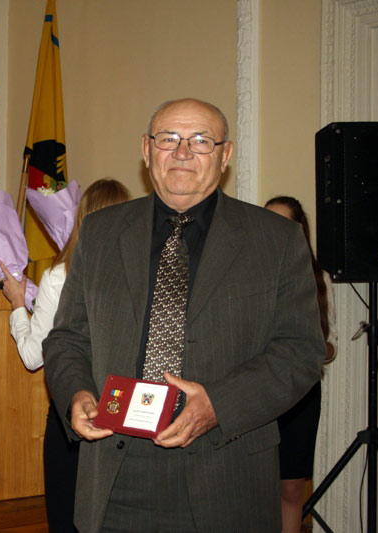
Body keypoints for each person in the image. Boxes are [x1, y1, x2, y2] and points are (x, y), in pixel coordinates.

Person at [43, 98, 326, 532]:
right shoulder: (100, 233)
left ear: (225, 155)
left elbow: (300, 352)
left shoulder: (277, 240)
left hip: (226, 476)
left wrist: (218, 406)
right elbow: (67, 339)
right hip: (115, 479)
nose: (182, 152)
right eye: (168, 139)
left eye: (201, 141)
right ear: (146, 149)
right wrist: (76, 393)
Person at [0, 178, 131, 532]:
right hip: (124, 409)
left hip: (72, 413)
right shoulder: (138, 275)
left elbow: (33, 356)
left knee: (67, 518)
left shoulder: (61, 275)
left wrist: (17, 304)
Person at [265, 195, 338, 533]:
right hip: (257, 391)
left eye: (282, 223)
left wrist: (316, 348)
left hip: (300, 393)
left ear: (299, 230)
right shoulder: (246, 274)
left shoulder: (318, 277)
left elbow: (332, 343)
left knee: (292, 487)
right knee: (252, 485)